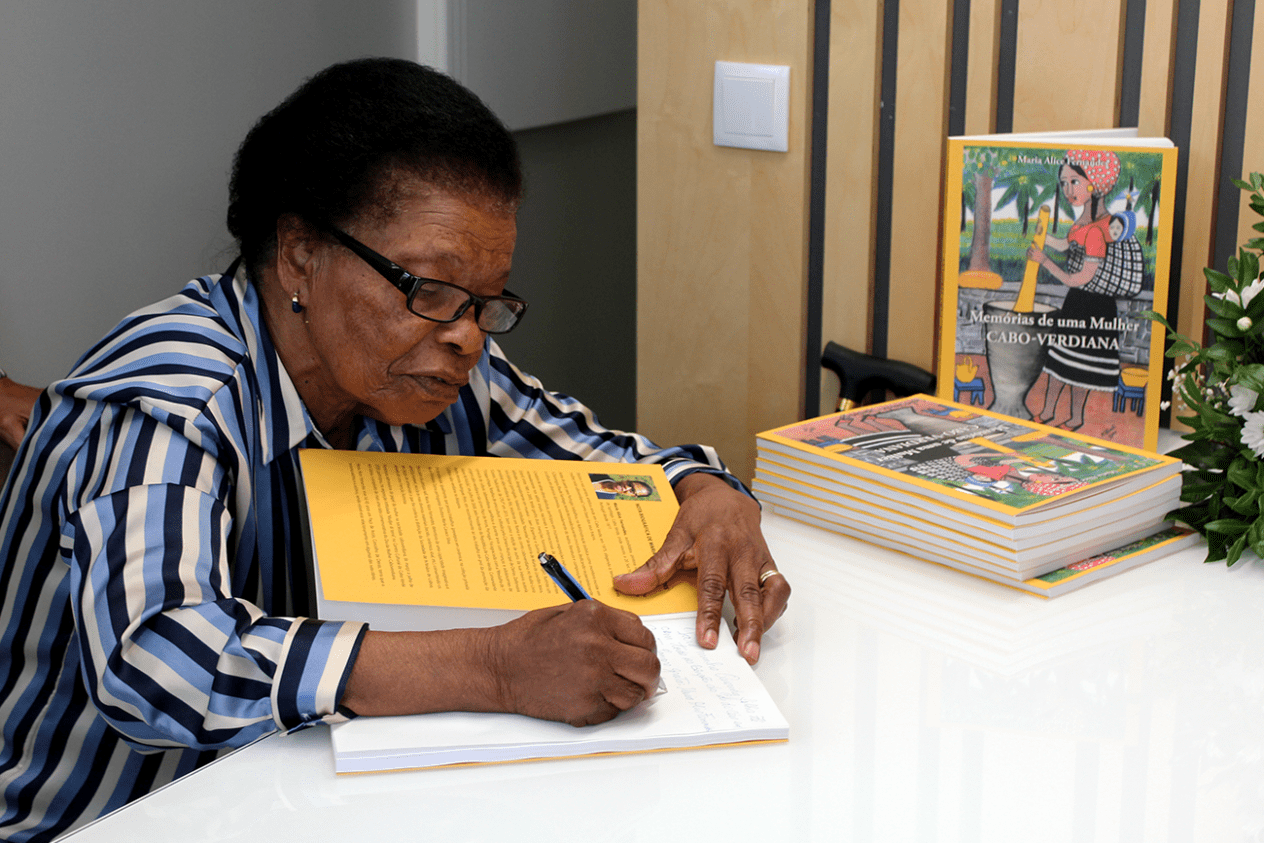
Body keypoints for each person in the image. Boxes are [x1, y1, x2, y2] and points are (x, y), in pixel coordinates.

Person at [0, 58, 790, 842]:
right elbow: (156, 660)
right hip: (101, 817)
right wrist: (495, 666)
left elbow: (613, 461)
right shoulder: (171, 400)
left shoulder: (435, 368)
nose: (467, 336)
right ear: (300, 253)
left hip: (313, 791)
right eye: (429, 289)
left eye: (487, 302)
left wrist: (711, 494)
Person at [1026, 150, 1125, 430]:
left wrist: (1045, 262)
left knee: (1081, 367)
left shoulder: (1100, 229)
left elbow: (1079, 278)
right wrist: (1043, 238)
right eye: (1064, 183)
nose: (1068, 190)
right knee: (1059, 361)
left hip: (1094, 306)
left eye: (1074, 182)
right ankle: (1048, 411)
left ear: (1094, 183)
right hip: (1076, 304)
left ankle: (1076, 418)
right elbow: (1065, 245)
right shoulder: (1083, 223)